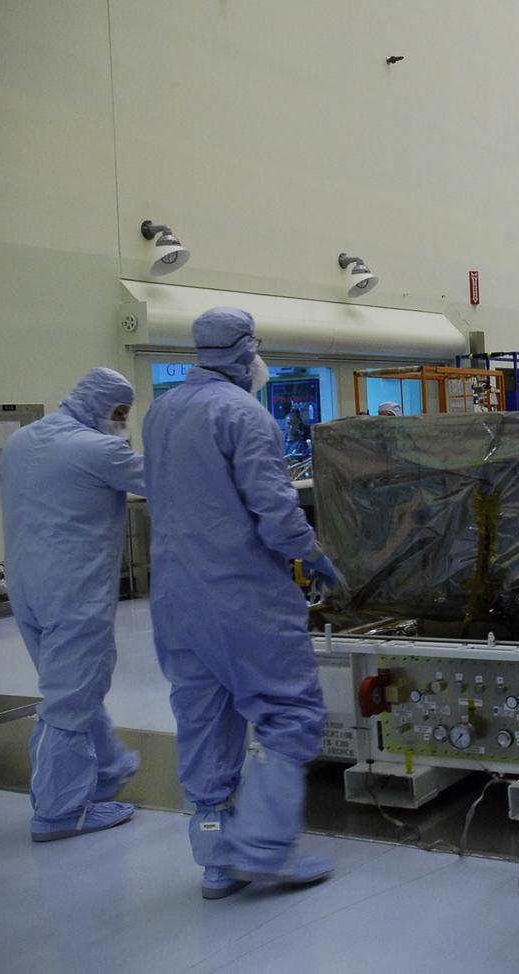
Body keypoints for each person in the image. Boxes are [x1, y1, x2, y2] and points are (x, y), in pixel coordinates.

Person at [143, 307, 347, 900]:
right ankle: (263, 849)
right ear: (243, 348)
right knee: (289, 712)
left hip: (176, 596)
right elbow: (275, 510)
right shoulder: (242, 413)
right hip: (240, 593)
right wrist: (313, 555)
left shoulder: (161, 412)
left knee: (203, 717)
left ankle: (214, 858)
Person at [0, 368, 146, 841]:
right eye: (119, 412)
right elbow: (167, 482)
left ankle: (106, 770)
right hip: (74, 593)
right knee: (69, 699)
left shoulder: (20, 441)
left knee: (71, 688)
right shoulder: (98, 449)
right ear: (101, 404)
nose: (121, 422)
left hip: (27, 590)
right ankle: (59, 811)